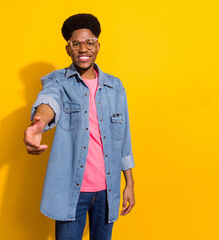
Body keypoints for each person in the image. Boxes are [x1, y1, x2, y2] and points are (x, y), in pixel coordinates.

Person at [24, 13, 135, 240]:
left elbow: (123, 139)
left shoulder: (115, 86)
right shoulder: (58, 81)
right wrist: (38, 123)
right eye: (76, 44)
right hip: (71, 192)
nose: (83, 48)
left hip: (108, 190)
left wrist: (129, 183)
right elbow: (48, 102)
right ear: (68, 48)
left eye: (89, 42)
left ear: (97, 46)